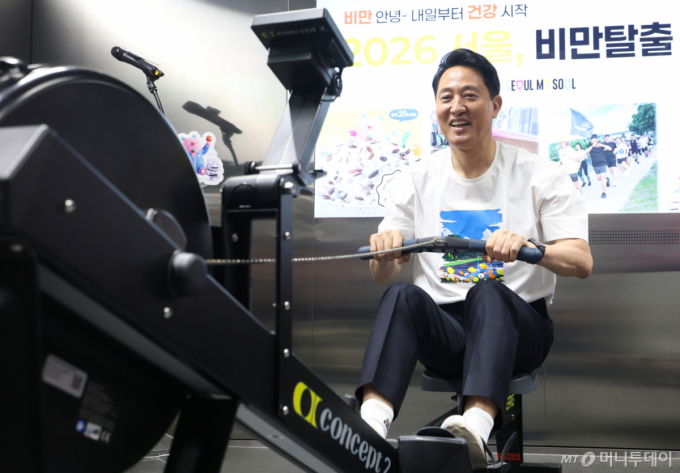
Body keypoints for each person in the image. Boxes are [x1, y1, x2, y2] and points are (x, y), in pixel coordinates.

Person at [356, 49, 593, 468]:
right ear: (436, 108)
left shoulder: (540, 173)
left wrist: (531, 249)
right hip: (447, 333)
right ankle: (368, 429)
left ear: (495, 105)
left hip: (519, 329)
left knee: (489, 290)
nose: (457, 107)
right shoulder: (416, 178)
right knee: (400, 296)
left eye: (469, 95)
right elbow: (382, 274)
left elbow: (581, 261)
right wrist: (385, 250)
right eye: (446, 97)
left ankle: (475, 429)